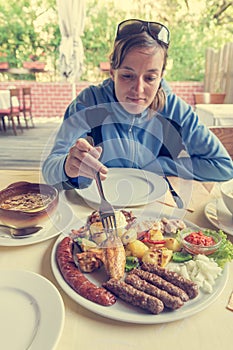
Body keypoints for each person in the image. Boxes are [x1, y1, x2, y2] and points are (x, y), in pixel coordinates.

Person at [42, 19, 233, 190]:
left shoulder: (175, 109)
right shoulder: (88, 103)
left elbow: (223, 167)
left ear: (161, 77)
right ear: (112, 72)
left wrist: (157, 165)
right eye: (127, 76)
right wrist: (68, 166)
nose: (139, 89)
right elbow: (50, 169)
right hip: (95, 208)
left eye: (150, 78)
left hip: (157, 209)